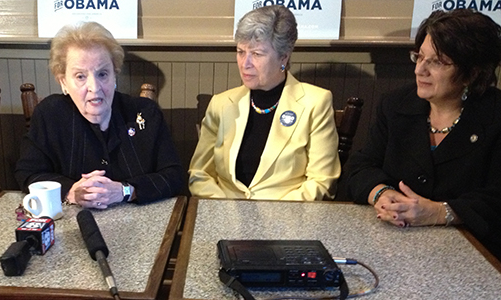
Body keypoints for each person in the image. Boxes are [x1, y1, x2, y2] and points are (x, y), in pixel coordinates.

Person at [347, 9, 501, 259]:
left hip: (472, 252)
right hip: (393, 246)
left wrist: (441, 212)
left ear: (472, 73)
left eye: (437, 62)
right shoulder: (396, 105)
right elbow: (360, 166)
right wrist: (382, 194)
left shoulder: (495, 116)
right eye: (419, 57)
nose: (420, 70)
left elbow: (496, 200)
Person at [15, 22, 183, 209]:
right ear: (63, 81)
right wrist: (71, 191)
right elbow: (28, 173)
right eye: (80, 76)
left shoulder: (145, 114)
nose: (94, 88)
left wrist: (125, 191)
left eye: (102, 74)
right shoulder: (50, 114)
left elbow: (174, 176)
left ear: (114, 76)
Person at [188, 5, 340, 200]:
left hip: (287, 221)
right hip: (225, 217)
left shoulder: (315, 103)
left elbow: (321, 181)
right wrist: (224, 211)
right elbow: (200, 175)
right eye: (240, 52)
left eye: (257, 54)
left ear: (283, 57)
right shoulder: (221, 103)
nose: (245, 63)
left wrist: (271, 221)